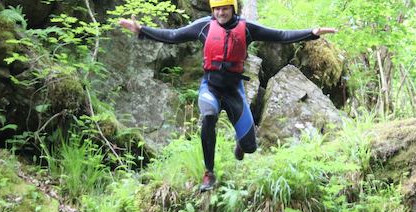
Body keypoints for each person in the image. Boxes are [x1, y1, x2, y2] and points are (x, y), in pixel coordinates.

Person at [119, 0, 336, 192]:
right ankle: (209, 172)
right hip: (210, 87)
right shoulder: (204, 26)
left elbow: (279, 35)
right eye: (217, 9)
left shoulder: (247, 29)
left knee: (250, 146)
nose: (221, 13)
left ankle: (240, 143)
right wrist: (142, 30)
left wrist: (311, 33)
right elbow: (174, 36)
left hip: (234, 91)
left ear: (233, 8)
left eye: (225, 8)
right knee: (209, 114)